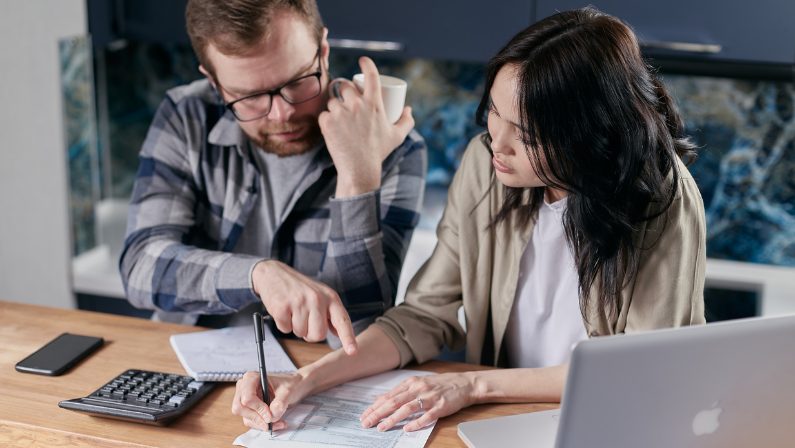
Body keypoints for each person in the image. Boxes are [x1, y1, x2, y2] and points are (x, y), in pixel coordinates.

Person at [232, 7, 706, 433]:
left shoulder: (662, 199)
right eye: (495, 114)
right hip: (501, 423)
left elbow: (639, 370)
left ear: (588, 135)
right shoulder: (486, 165)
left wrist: (474, 386)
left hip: (608, 426)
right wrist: (305, 380)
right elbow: (421, 316)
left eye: (525, 135)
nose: (496, 143)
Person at [119, 0, 427, 353]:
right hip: (189, 361)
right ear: (214, 83)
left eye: (297, 82)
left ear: (323, 52)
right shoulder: (187, 115)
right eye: (248, 96)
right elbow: (140, 267)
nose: (282, 114)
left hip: (316, 377)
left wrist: (358, 177)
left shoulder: (394, 147)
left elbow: (359, 334)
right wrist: (258, 276)